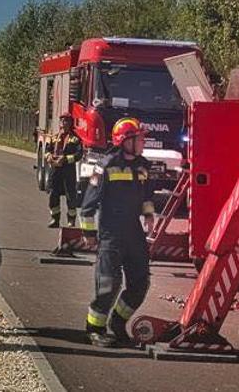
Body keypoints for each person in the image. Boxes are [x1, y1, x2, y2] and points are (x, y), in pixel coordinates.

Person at [80, 117, 155, 348]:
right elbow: (88, 203)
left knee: (140, 283)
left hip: (134, 234)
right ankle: (95, 329)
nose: (143, 142)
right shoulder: (106, 165)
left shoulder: (143, 166)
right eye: (139, 139)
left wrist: (148, 214)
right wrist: (89, 233)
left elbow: (146, 196)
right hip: (111, 235)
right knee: (109, 284)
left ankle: (118, 323)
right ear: (125, 141)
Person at [46, 127, 84, 228]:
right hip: (55, 171)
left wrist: (65, 159)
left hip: (68, 171)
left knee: (70, 196)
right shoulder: (55, 137)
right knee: (53, 194)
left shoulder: (75, 139)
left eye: (66, 121)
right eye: (62, 121)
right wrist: (49, 156)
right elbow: (47, 150)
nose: (64, 124)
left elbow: (79, 154)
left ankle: (71, 221)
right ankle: (55, 219)